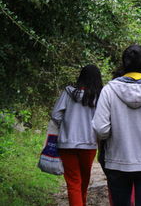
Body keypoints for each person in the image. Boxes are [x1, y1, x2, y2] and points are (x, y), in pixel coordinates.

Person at [92, 44, 141, 206]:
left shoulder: (109, 90)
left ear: (124, 63)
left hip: (117, 160)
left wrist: (113, 134)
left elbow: (101, 128)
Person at [51, 65, 103, 206]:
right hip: (89, 144)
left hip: (67, 143)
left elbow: (55, 115)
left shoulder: (68, 93)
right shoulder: (99, 96)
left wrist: (66, 124)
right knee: (84, 180)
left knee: (73, 182)